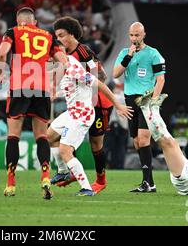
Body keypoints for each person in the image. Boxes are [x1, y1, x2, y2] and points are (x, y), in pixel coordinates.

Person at [0, 7, 68, 199]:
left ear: (20, 21)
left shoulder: (13, 32)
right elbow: (64, 61)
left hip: (20, 85)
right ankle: (45, 177)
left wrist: (2, 73)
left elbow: (2, 54)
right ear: (34, 22)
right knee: (42, 136)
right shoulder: (48, 35)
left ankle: (11, 184)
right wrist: (54, 84)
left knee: (13, 135)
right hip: (42, 88)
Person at [47, 54, 133, 196]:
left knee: (65, 150)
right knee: (49, 137)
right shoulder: (67, 61)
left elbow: (100, 84)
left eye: (50, 58)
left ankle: (86, 188)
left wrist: (117, 105)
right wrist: (57, 93)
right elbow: (74, 87)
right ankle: (63, 172)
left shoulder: (74, 69)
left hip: (82, 114)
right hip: (72, 112)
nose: (49, 61)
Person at [49, 16, 114, 194]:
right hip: (81, 106)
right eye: (57, 36)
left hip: (99, 103)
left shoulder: (83, 52)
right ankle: (70, 172)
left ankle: (101, 180)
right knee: (62, 137)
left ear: (71, 35)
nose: (59, 39)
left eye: (61, 35)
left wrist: (87, 89)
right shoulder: (65, 57)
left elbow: (101, 76)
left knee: (95, 144)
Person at [112, 22, 166, 193]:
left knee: (143, 139)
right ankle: (149, 182)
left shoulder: (153, 54)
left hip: (146, 101)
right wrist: (128, 56)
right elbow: (115, 75)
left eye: (137, 35)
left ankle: (148, 183)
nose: (134, 38)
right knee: (136, 141)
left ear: (144, 35)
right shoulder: (123, 53)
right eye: (131, 35)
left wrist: (155, 101)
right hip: (129, 101)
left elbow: (161, 79)